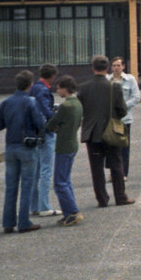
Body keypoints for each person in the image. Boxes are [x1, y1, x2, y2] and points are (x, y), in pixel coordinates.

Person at [76, 55, 134, 208]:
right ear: (107, 68)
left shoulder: (83, 87)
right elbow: (122, 110)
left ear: (93, 68)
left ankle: (102, 199)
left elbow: (80, 109)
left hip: (92, 133)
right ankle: (120, 197)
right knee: (116, 164)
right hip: (110, 132)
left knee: (96, 168)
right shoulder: (114, 87)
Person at [0, 70, 47, 233]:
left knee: (11, 186)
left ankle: (8, 222)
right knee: (27, 185)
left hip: (10, 147)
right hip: (27, 146)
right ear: (30, 85)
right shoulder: (30, 101)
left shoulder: (5, 102)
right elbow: (40, 123)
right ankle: (24, 222)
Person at [45, 75, 84, 226]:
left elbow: (51, 124)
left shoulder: (65, 106)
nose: (57, 90)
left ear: (65, 88)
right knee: (66, 180)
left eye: (59, 87)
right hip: (72, 143)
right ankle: (69, 212)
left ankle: (73, 211)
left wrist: (56, 126)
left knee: (60, 182)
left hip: (63, 145)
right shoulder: (78, 104)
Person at [29, 63, 59, 217]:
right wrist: (55, 120)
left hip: (34, 133)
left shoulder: (34, 88)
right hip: (45, 132)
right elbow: (45, 110)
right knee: (46, 170)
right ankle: (44, 206)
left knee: (36, 170)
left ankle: (34, 205)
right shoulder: (43, 90)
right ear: (53, 76)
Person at [107, 57, 141, 179]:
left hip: (124, 119)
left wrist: (123, 107)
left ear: (123, 67)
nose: (116, 68)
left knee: (124, 147)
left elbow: (136, 97)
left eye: (118, 65)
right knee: (111, 147)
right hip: (110, 119)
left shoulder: (130, 80)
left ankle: (123, 173)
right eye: (114, 65)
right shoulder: (107, 80)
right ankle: (113, 173)